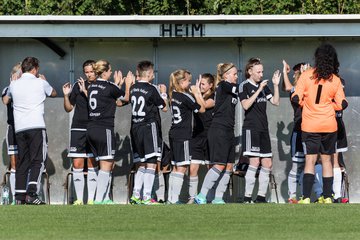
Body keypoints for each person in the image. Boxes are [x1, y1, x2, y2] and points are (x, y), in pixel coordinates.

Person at [292, 43, 348, 204]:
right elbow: (342, 103)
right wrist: (331, 107)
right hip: (329, 125)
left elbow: (296, 98)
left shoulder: (306, 75)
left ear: (316, 59)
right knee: (327, 161)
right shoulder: (335, 80)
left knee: (310, 160)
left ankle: (307, 197)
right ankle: (328, 197)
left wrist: (306, 104)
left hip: (309, 125)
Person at [8, 57, 57, 205]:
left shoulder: (14, 85)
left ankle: (19, 197)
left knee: (23, 162)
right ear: (35, 69)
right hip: (36, 126)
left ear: (22, 69)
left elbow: (8, 98)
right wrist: (44, 80)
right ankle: (31, 194)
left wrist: (15, 81)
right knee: (38, 161)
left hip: (20, 128)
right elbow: (53, 93)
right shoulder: (40, 82)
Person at [86, 59, 133, 204]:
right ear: (105, 72)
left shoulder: (92, 86)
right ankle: (99, 200)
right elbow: (125, 98)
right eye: (110, 70)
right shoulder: (109, 86)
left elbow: (112, 100)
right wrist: (128, 84)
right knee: (106, 165)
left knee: (100, 164)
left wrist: (116, 85)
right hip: (104, 128)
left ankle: (104, 197)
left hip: (91, 128)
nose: (111, 73)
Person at [194, 63, 239, 204]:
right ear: (225, 75)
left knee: (229, 166)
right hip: (219, 129)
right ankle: (201, 195)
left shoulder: (229, 88)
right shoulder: (224, 85)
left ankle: (218, 198)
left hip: (229, 130)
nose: (236, 76)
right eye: (234, 74)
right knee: (219, 165)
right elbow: (241, 90)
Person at [239, 58, 281, 203]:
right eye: (258, 72)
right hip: (251, 129)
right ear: (250, 72)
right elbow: (245, 105)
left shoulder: (263, 86)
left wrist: (275, 85)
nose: (261, 74)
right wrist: (259, 90)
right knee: (254, 162)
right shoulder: (244, 86)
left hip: (263, 129)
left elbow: (275, 102)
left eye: (262, 71)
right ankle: (247, 197)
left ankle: (261, 197)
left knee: (267, 163)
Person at [129, 60, 168, 205]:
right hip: (148, 126)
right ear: (150, 74)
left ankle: (135, 195)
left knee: (141, 163)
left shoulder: (133, 88)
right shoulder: (152, 89)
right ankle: (146, 197)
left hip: (135, 127)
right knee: (151, 162)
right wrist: (163, 93)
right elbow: (163, 107)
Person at [62, 60, 98, 205]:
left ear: (97, 71)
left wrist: (86, 91)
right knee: (77, 163)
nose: (89, 74)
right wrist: (66, 95)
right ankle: (78, 200)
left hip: (94, 128)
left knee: (92, 163)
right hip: (78, 128)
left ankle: (90, 200)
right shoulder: (77, 85)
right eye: (86, 72)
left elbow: (99, 105)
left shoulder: (100, 86)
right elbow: (69, 108)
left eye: (91, 71)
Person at [168, 69, 205, 204]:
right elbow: (201, 109)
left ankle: (170, 199)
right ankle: (174, 200)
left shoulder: (172, 95)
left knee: (176, 167)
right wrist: (197, 93)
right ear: (182, 81)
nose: (190, 84)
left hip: (174, 133)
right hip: (183, 134)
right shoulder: (185, 96)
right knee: (182, 167)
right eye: (189, 81)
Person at [187, 73, 215, 204]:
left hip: (210, 135)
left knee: (211, 168)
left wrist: (197, 93)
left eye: (203, 84)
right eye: (200, 83)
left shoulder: (214, 97)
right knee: (193, 168)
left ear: (210, 85)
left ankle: (209, 197)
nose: (200, 86)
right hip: (197, 136)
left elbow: (203, 106)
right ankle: (192, 198)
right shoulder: (195, 96)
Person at [282, 60, 307, 203]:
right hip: (299, 131)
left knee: (311, 165)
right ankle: (292, 196)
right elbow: (287, 87)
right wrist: (285, 72)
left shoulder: (313, 87)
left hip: (313, 131)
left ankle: (307, 195)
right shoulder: (296, 89)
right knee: (297, 165)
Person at [2, 62, 22, 204]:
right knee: (14, 163)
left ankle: (27, 195)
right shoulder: (8, 89)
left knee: (27, 162)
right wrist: (13, 86)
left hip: (27, 128)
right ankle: (15, 197)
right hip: (13, 128)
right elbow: (5, 100)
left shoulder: (27, 89)